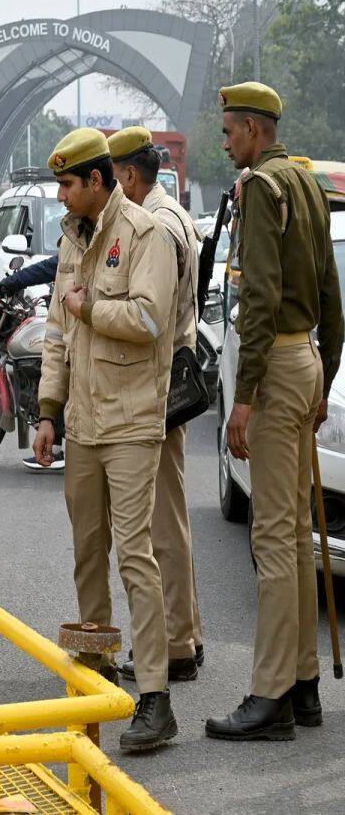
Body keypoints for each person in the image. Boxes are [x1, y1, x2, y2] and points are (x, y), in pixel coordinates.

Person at [33, 128, 179, 752]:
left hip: (132, 419)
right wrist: (46, 411)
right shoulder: (73, 237)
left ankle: (155, 695)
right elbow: (58, 334)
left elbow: (148, 319)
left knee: (134, 556)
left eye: (68, 184)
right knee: (87, 550)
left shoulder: (148, 236)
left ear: (98, 181)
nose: (61, 196)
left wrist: (89, 307)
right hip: (84, 423)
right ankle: (96, 667)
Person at [209, 82, 343, 740]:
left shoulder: (264, 188)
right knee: (294, 535)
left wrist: (244, 398)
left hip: (277, 367)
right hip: (307, 359)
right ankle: (303, 683)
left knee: (273, 536)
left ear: (255, 130)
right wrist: (325, 374)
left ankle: (270, 696)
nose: (225, 140)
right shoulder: (309, 181)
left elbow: (258, 300)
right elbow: (330, 293)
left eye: (230, 129)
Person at [107, 127, 205, 684]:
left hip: (158, 382)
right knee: (169, 514)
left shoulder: (157, 227)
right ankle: (185, 631)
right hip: (167, 378)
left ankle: (175, 644)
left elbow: (151, 319)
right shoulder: (172, 215)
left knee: (159, 520)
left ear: (126, 176)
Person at [0, 255, 67, 473]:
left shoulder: (78, 245)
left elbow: (48, 267)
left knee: (57, 370)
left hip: (74, 326)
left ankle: (53, 448)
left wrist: (12, 282)